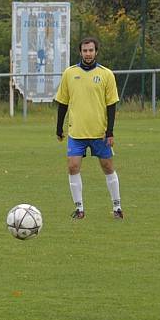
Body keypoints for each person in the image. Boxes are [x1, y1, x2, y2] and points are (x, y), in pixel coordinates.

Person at [55, 36, 122, 220]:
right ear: (80, 52)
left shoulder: (106, 74)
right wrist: (59, 127)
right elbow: (62, 102)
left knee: (108, 167)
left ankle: (117, 207)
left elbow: (111, 105)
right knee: (72, 166)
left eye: (91, 50)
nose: (88, 53)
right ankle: (79, 209)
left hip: (99, 132)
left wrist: (110, 132)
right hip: (76, 131)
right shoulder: (69, 73)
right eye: (85, 50)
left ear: (96, 52)